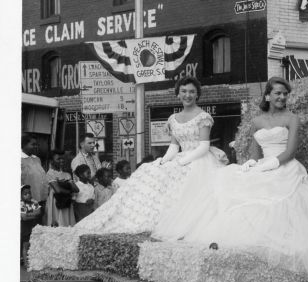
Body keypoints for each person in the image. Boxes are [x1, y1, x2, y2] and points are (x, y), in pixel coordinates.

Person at [178, 77, 308, 282]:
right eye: (278, 93)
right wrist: (251, 163)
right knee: (229, 183)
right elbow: (254, 151)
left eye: (285, 94)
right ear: (268, 96)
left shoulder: (292, 118)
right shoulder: (257, 121)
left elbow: (290, 150)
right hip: (263, 165)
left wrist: (273, 163)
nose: (282, 97)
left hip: (285, 166)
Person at [76, 76, 225, 234]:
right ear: (178, 94)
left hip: (199, 160)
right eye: (184, 91)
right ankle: (134, 218)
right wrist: (164, 161)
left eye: (191, 92)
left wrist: (182, 162)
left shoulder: (203, 117)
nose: (187, 95)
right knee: (149, 171)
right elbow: (174, 147)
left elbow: (203, 146)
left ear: (197, 95)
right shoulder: (173, 119)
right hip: (180, 158)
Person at [44, 149, 77, 227]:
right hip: (56, 203)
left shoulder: (67, 174)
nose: (61, 161)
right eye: (58, 159)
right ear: (51, 161)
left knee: (67, 222)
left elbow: (76, 189)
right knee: (58, 223)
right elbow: (58, 190)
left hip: (66, 203)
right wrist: (69, 190)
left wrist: (63, 185)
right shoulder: (50, 173)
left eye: (63, 158)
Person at [21, 134, 47, 225]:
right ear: (23, 145)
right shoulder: (19, 160)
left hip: (40, 200)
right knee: (29, 227)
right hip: (28, 201)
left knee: (39, 226)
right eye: (33, 144)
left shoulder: (37, 159)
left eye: (37, 144)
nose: (36, 147)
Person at [20, 184, 42, 264]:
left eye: (29, 193)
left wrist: (29, 215)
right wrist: (33, 214)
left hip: (33, 226)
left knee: (33, 244)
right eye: (25, 194)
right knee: (26, 245)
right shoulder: (21, 204)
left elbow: (38, 212)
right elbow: (24, 217)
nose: (28, 195)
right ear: (21, 195)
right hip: (25, 228)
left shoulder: (34, 202)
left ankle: (33, 261)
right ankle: (26, 263)